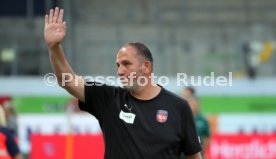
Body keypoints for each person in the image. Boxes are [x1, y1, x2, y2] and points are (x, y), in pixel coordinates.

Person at [44, 7, 202, 159]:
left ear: (146, 67)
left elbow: (194, 156)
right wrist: (54, 48)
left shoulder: (179, 107)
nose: (120, 71)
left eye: (126, 64)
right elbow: (67, 80)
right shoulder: (110, 99)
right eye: (118, 65)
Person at [181, 87, 210, 159]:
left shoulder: (202, 119)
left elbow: (207, 137)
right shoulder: (181, 117)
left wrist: (202, 151)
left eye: (195, 103)